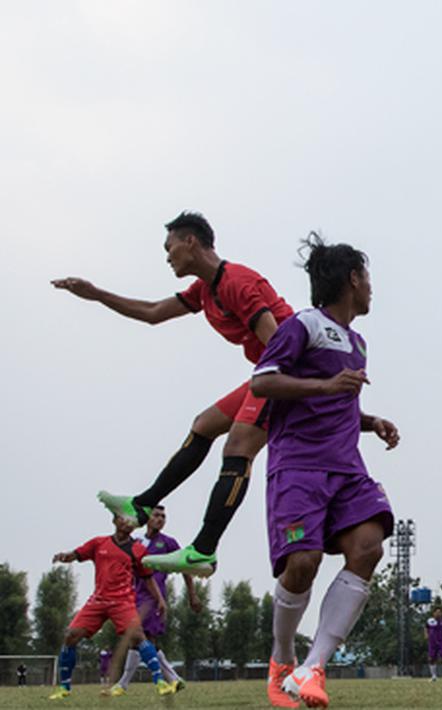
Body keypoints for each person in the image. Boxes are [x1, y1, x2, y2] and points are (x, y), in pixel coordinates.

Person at [51, 212, 294, 574]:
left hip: (285, 369)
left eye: (170, 247)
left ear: (190, 242)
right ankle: (143, 506)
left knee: (238, 448)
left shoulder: (236, 282)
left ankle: (203, 550)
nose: (167, 257)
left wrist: (301, 390)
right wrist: (97, 294)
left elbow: (278, 343)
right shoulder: (205, 289)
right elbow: (153, 312)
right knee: (204, 424)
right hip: (267, 370)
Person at [254, 235, 399, 709]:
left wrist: (369, 421)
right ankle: (282, 659)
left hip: (346, 467)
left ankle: (312, 668)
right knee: (304, 563)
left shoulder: (358, 342)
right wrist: (327, 383)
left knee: (369, 547)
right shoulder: (303, 325)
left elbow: (333, 404)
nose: (372, 289)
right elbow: (264, 381)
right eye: (368, 279)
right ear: (353, 279)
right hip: (298, 464)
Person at [47, 516, 174, 700]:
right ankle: (64, 687)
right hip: (98, 601)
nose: (128, 523)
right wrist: (66, 556)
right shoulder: (99, 543)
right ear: (115, 521)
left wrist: (160, 599)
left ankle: (160, 681)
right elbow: (77, 553)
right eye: (124, 519)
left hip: (123, 602)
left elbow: (147, 577)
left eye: (132, 521)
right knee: (70, 635)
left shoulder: (138, 549)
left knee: (138, 636)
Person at [113, 506, 202, 695]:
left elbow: (185, 567)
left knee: (142, 638)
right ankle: (172, 679)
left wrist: (192, 594)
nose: (160, 519)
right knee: (140, 640)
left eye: (163, 516)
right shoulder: (137, 541)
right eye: (156, 515)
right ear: (147, 519)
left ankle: (124, 684)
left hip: (154, 597)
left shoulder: (168, 543)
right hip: (134, 596)